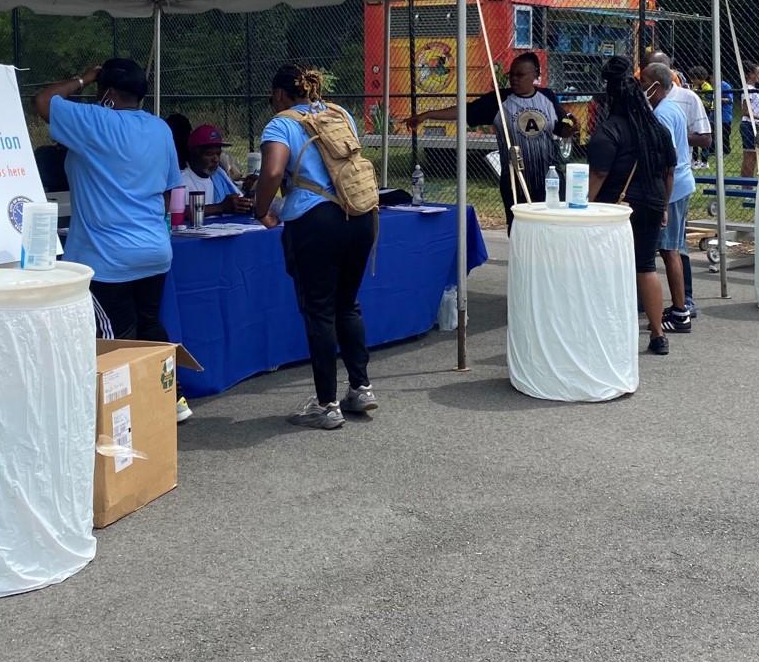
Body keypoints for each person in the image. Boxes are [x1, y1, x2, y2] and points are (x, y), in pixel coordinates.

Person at [33, 58, 192, 423]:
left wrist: (82, 78)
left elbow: (43, 101)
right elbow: (168, 194)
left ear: (107, 92)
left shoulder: (94, 121)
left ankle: (125, 412)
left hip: (106, 257)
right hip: (153, 250)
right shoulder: (160, 129)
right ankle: (173, 399)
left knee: (116, 336)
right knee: (150, 323)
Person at [253, 64, 377, 430]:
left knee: (319, 311)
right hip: (360, 215)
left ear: (278, 95)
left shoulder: (281, 123)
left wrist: (262, 208)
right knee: (347, 304)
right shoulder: (340, 113)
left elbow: (273, 171)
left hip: (316, 221)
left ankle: (326, 404)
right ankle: (361, 388)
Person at [404, 52, 578, 231]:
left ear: (535, 75)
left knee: (553, 228)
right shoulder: (498, 100)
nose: (514, 79)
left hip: (549, 179)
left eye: (520, 75)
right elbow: (465, 111)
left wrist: (570, 129)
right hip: (514, 180)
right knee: (519, 230)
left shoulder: (548, 97)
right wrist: (426, 115)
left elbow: (562, 129)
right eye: (511, 75)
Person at [586, 57, 676, 356]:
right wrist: (662, 205)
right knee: (646, 267)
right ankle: (658, 332)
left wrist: (584, 204)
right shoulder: (658, 130)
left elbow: (598, 173)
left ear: (611, 97)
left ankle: (607, 331)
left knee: (608, 269)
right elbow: (669, 172)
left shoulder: (611, 129)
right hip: (651, 203)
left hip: (616, 208)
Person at [640, 63, 694, 334]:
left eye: (645, 82)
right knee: (672, 248)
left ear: (657, 86)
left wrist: (662, 201)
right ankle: (678, 307)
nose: (641, 88)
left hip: (673, 188)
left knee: (669, 249)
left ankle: (680, 311)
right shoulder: (671, 107)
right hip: (681, 185)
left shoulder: (661, 114)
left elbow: (668, 161)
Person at [180, 125, 253, 217]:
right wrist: (220, 207)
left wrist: (249, 198)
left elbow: (238, 200)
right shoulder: (181, 181)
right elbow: (177, 212)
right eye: (209, 154)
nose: (216, 159)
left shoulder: (219, 175)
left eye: (218, 154)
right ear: (194, 154)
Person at [689, 65, 734, 164]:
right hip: (708, 115)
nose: (711, 79)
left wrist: (717, 99)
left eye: (713, 78)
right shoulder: (698, 87)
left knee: (724, 134)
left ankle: (724, 151)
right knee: (712, 133)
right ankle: (709, 152)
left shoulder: (715, 86)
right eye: (711, 78)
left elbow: (710, 101)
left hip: (721, 114)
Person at [740, 61, 759, 178]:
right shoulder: (747, 89)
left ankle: (747, 185)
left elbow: (755, 107)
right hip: (749, 125)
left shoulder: (753, 89)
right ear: (750, 75)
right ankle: (747, 187)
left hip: (754, 124)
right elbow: (745, 111)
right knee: (750, 156)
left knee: (753, 155)